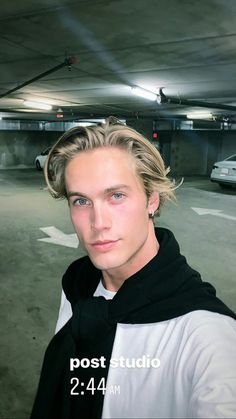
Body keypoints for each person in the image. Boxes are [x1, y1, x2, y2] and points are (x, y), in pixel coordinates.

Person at [31, 117, 236, 419]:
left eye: (116, 196)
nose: (98, 223)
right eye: (81, 201)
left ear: (152, 199)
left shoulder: (208, 336)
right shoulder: (77, 284)